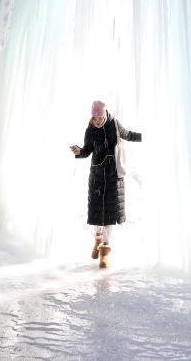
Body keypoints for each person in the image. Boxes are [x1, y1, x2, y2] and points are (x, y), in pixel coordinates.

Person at [70, 100, 142, 268]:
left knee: (110, 214)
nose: (97, 121)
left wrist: (145, 136)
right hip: (96, 176)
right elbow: (87, 150)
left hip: (114, 176)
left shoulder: (114, 124)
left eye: (99, 117)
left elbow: (128, 135)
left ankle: (105, 250)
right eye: (94, 118)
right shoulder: (89, 130)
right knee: (97, 216)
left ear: (105, 114)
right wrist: (79, 151)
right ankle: (97, 238)